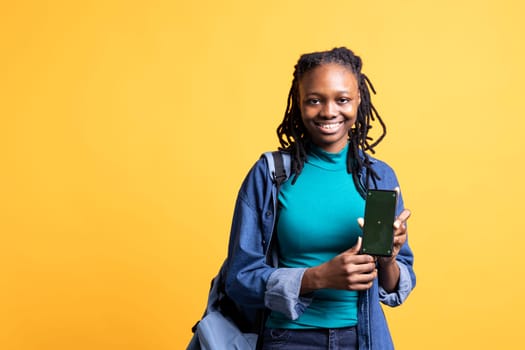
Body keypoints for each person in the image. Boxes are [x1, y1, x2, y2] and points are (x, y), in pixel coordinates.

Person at [224, 47, 415, 350]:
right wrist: (317, 278)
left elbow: (394, 287)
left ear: (358, 101)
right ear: (298, 104)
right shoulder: (269, 173)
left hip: (364, 338)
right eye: (315, 100)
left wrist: (389, 260)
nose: (328, 111)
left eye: (342, 99)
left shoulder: (379, 176)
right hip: (288, 338)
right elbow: (240, 280)